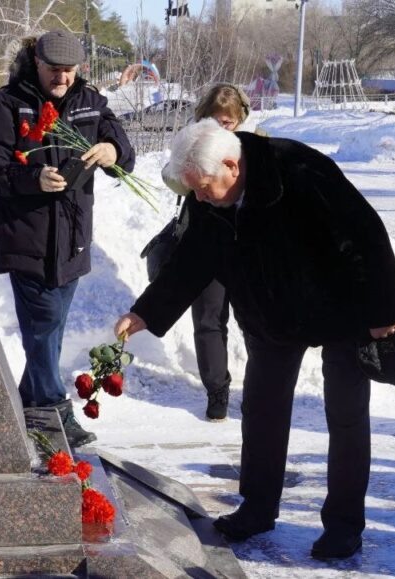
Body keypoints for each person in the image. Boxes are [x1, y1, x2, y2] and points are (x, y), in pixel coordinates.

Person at [114, 119, 395, 560]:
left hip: (341, 308)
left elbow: (366, 234)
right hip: (270, 313)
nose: (198, 197)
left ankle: (344, 524)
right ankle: (257, 506)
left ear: (232, 166)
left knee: (346, 416)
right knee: (262, 408)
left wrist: (385, 314)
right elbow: (194, 256)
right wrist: (145, 312)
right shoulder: (210, 191)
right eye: (194, 190)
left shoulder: (300, 170)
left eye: (204, 187)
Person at [0, 31, 135, 448]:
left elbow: (124, 152)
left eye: (69, 71)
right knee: (43, 325)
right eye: (53, 70)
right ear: (36, 64)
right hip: (26, 238)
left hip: (73, 239)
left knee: (50, 331)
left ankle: (27, 402)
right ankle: (52, 411)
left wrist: (113, 151)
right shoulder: (4, 105)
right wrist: (32, 178)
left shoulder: (91, 102)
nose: (62, 78)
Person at [159, 83, 252, 422]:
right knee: (209, 318)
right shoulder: (191, 144)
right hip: (204, 242)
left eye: (229, 122)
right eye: (216, 120)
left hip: (245, 248)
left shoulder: (254, 145)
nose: (222, 127)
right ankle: (217, 390)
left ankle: (259, 386)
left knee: (253, 318)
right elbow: (174, 180)